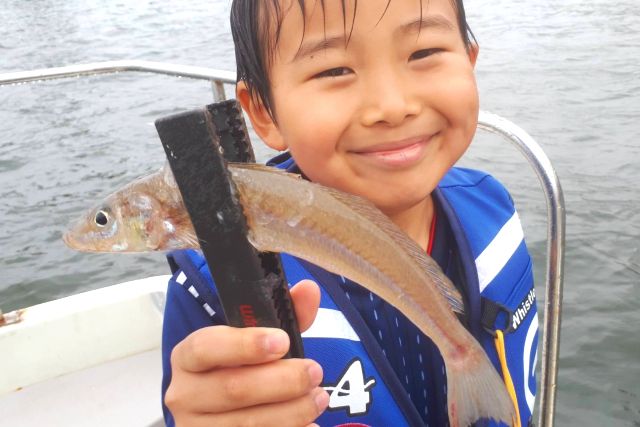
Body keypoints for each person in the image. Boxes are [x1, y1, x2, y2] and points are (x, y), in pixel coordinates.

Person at [161, 0, 539, 426]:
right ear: (265, 112)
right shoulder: (219, 287)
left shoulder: (491, 204)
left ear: (470, 61)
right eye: (333, 71)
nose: (393, 107)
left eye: (423, 53)